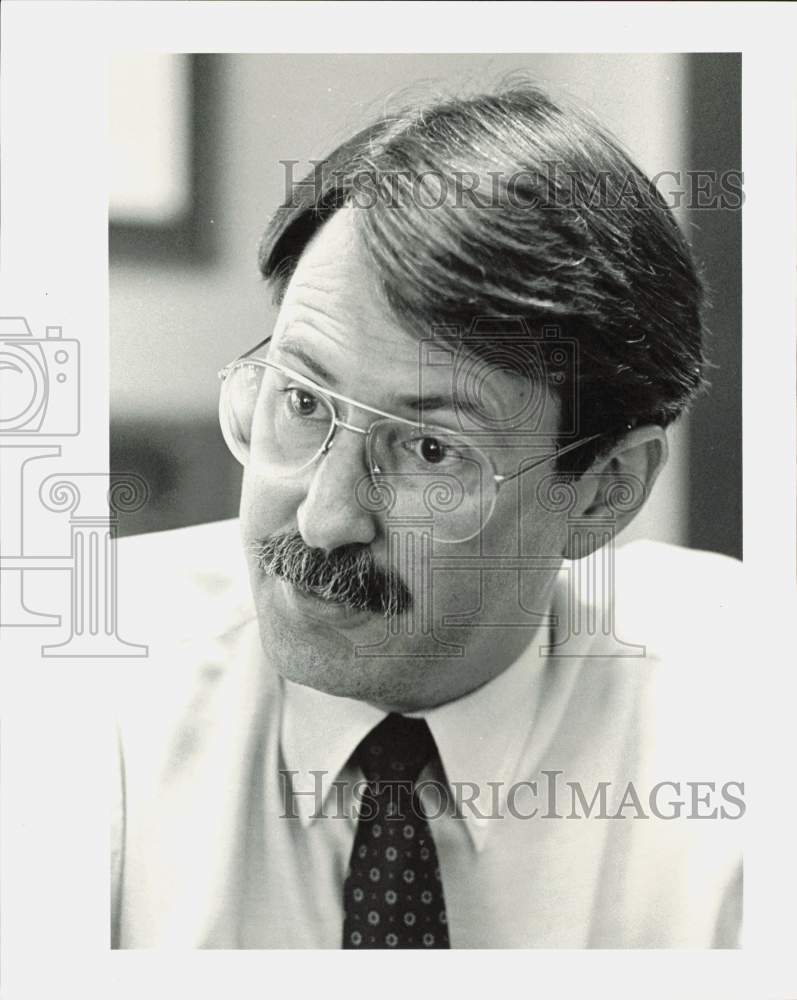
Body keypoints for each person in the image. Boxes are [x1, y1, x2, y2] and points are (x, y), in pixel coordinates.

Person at [111, 82, 743, 949]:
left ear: (602, 490)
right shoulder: (82, 686)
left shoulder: (742, 723)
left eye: (430, 451)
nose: (326, 518)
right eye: (301, 400)